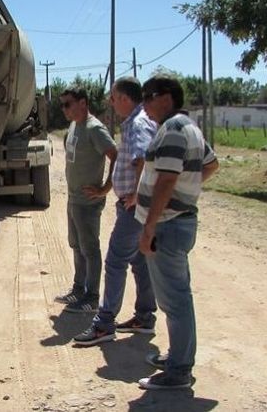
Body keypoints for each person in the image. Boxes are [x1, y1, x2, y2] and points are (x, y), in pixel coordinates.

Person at [134, 75, 219, 390]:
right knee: (178, 296)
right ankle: (177, 357)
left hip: (167, 226)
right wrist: (189, 190)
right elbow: (210, 165)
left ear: (166, 97)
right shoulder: (189, 128)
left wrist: (149, 227)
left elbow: (166, 181)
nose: (145, 103)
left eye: (148, 96)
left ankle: (179, 370)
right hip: (176, 222)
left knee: (174, 300)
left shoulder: (172, 130)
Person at [73, 76, 158, 345]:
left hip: (133, 207)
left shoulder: (138, 123)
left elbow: (144, 158)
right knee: (139, 261)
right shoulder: (136, 122)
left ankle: (104, 323)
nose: (110, 103)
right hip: (134, 205)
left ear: (124, 98)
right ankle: (144, 317)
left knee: (115, 261)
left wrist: (136, 194)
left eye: (113, 97)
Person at [54, 87, 117, 313]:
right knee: (76, 246)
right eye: (62, 105)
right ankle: (78, 290)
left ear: (83, 103)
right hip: (73, 200)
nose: (64, 109)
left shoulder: (95, 129)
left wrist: (104, 189)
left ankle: (92, 297)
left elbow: (116, 157)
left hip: (88, 203)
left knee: (90, 249)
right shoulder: (73, 126)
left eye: (67, 104)